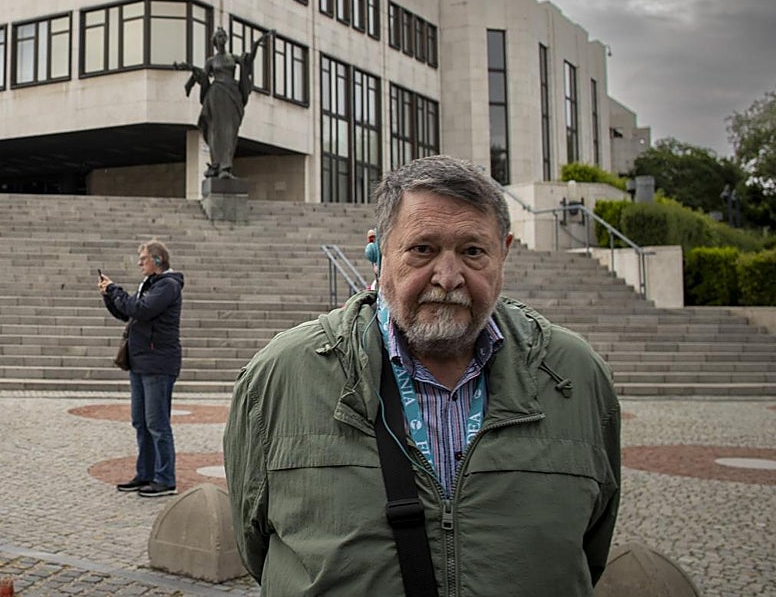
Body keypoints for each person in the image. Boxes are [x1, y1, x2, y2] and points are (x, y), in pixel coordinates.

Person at [224, 155, 620, 595]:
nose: (448, 278)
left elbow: (588, 546)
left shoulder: (575, 375)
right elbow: (256, 542)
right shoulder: (280, 375)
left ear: (504, 252)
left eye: (473, 252)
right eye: (423, 249)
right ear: (378, 252)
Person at [98, 240, 184, 497]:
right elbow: (127, 313)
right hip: (140, 361)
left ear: (158, 260)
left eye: (144, 258)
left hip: (158, 363)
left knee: (157, 423)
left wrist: (115, 290)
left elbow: (141, 309)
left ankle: (165, 479)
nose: (139, 263)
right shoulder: (150, 284)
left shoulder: (167, 286)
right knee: (141, 422)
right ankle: (145, 473)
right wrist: (109, 296)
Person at [175, 26, 269, 179]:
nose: (222, 39)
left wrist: (257, 44)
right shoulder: (211, 61)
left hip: (232, 95)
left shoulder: (233, 57)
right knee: (217, 131)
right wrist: (191, 70)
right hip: (216, 95)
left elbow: (248, 61)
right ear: (215, 41)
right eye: (219, 36)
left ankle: (226, 167)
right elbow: (204, 77)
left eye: (224, 36)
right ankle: (220, 167)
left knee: (230, 132)